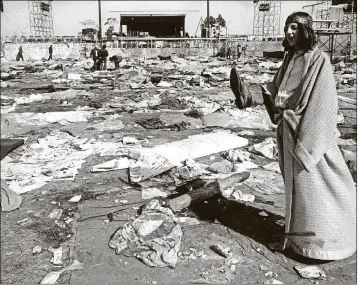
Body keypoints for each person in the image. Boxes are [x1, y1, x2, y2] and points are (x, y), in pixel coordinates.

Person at [230, 11, 356, 261]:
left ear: (306, 30)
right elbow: (275, 91)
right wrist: (250, 96)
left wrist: (307, 137)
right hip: (290, 131)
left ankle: (330, 243)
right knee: (296, 191)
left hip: (309, 133)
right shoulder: (290, 59)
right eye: (288, 27)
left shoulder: (319, 60)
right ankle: (300, 243)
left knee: (323, 187)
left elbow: (323, 101)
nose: (289, 32)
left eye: (295, 27)